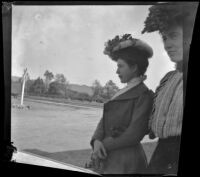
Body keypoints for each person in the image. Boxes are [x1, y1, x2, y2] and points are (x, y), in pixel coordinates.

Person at [141, 3, 198, 175]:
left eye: (173, 36)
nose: (167, 45)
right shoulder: (168, 78)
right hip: (161, 152)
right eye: (164, 38)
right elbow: (152, 117)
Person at [86, 34, 154, 174]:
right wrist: (96, 141)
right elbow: (104, 120)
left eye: (121, 66)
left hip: (126, 162)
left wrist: (103, 144)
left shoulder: (144, 95)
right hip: (107, 155)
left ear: (134, 67)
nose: (117, 71)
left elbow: (133, 134)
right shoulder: (122, 92)